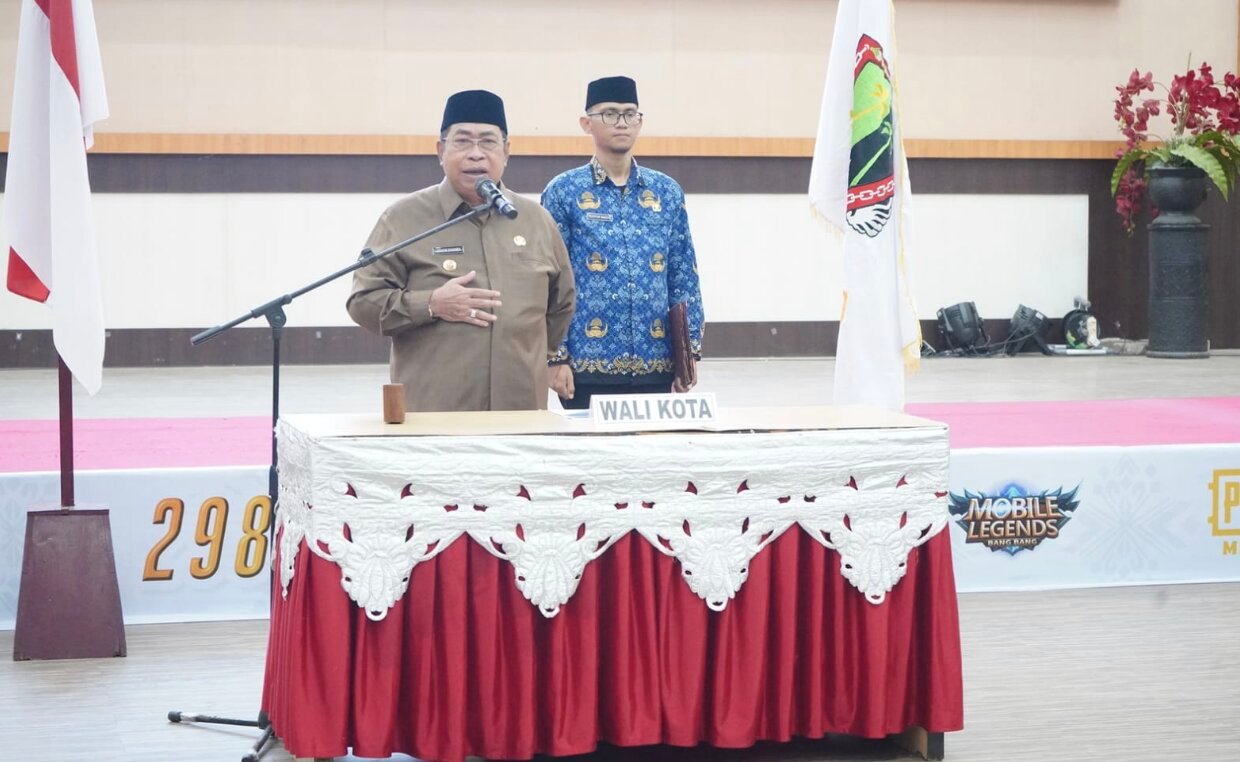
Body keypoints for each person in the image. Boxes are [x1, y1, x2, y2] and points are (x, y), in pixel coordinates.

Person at [348, 90, 575, 412]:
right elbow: (362, 302)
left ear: (507, 151)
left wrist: (526, 350)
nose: (476, 154)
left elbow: (561, 304)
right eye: (462, 141)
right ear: (441, 150)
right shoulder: (404, 218)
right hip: (434, 411)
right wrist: (430, 304)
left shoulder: (535, 219)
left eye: (488, 142)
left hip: (521, 410)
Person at [541, 75, 705, 409]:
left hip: (656, 363)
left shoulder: (666, 192)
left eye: (631, 114)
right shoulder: (564, 192)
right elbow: (549, 278)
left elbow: (683, 275)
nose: (622, 123)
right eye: (610, 114)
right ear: (587, 124)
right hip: (586, 366)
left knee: (652, 459)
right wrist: (554, 358)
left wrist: (688, 353)